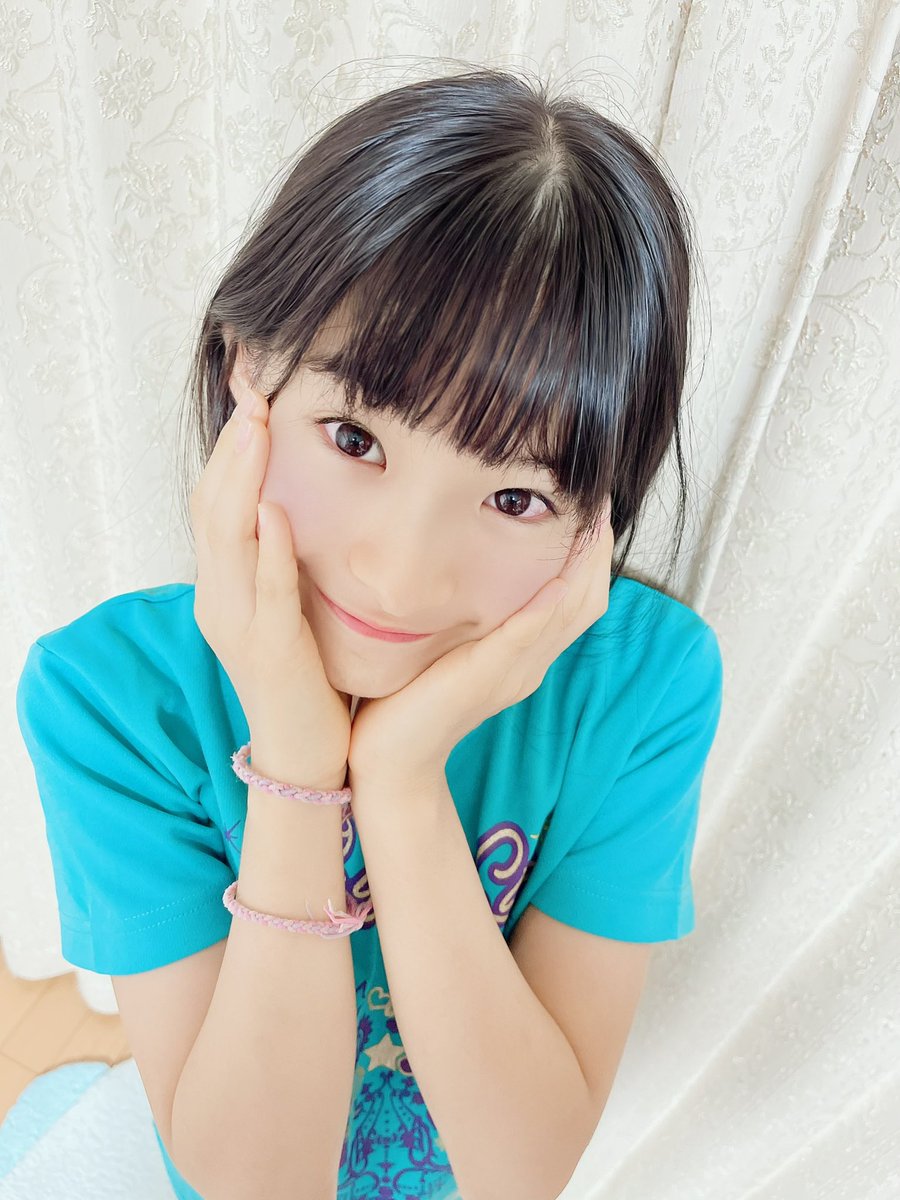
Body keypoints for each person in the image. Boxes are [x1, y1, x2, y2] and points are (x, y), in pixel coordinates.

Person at [16, 66, 724, 1200]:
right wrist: (299, 764)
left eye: (515, 498)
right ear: (247, 367)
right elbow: (254, 1185)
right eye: (354, 438)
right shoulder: (110, 698)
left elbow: (523, 1170)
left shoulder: (640, 685)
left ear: (595, 519)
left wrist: (399, 779)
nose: (398, 574)